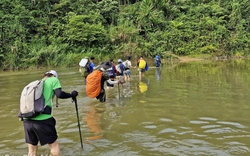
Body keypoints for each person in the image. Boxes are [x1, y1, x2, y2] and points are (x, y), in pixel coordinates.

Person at [22, 70, 78, 156]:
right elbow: (59, 94)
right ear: (54, 76)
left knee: (32, 151)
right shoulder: (53, 79)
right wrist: (72, 94)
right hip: (43, 120)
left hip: (27, 120)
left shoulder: (36, 84)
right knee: (54, 146)